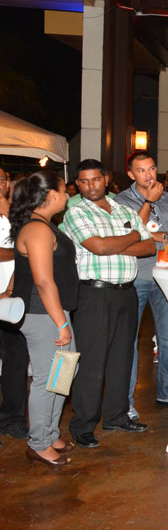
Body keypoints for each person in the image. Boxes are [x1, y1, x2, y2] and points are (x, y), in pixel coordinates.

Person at [60, 159, 155, 449]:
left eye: (95, 179)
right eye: (83, 181)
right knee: (92, 362)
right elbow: (98, 247)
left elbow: (150, 247)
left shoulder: (125, 210)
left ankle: (116, 415)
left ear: (106, 179)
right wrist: (132, 235)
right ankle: (83, 424)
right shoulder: (76, 213)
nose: (90, 186)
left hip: (126, 292)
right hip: (93, 294)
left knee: (121, 358)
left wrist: (118, 242)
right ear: (77, 184)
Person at [10, 170, 79, 466]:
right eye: (64, 190)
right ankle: (38, 443)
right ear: (51, 195)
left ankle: (49, 434)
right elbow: (42, 281)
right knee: (47, 378)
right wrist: (60, 323)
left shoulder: (44, 225)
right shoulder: (37, 229)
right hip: (43, 314)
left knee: (64, 372)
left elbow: (22, 272)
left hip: (53, 311)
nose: (67, 195)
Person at [116, 151, 168, 415]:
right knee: (129, 341)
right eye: (141, 170)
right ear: (131, 174)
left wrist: (153, 235)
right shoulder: (120, 200)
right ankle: (126, 403)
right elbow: (130, 233)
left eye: (152, 168)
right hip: (136, 277)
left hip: (167, 276)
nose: (148, 174)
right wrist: (148, 202)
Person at [0, 166, 30, 444]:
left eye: (2, 179)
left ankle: (12, 420)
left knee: (16, 364)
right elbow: (29, 250)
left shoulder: (18, 214)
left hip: (13, 301)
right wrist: (23, 251)